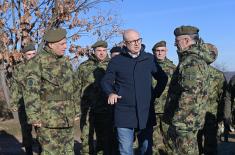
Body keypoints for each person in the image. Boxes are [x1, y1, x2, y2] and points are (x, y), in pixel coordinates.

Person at [101, 29, 168, 155]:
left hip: (145, 112)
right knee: (125, 150)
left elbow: (163, 78)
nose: (137, 44)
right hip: (124, 111)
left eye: (138, 40)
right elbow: (106, 81)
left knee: (146, 148)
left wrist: (154, 94)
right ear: (125, 43)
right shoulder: (117, 61)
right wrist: (110, 92)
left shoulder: (149, 59)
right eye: (132, 41)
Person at [23, 28, 80, 155]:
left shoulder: (66, 62)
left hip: (67, 117)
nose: (65, 47)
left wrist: (76, 109)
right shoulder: (36, 62)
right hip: (48, 119)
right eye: (62, 44)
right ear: (51, 44)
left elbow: (74, 87)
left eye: (66, 43)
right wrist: (34, 117)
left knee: (69, 151)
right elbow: (30, 92)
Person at [163, 25, 211, 155]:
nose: (174, 44)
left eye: (177, 41)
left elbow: (190, 93)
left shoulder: (191, 61)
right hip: (192, 118)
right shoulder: (196, 59)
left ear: (186, 40)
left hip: (185, 120)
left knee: (185, 151)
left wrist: (178, 120)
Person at [77, 40, 116, 155]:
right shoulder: (84, 66)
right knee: (86, 138)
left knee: (104, 139)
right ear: (93, 51)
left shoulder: (112, 65)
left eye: (104, 50)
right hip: (87, 109)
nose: (102, 53)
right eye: (99, 50)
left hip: (106, 109)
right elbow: (76, 87)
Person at [10, 43, 37, 155]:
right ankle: (29, 152)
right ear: (24, 55)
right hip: (24, 104)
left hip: (40, 105)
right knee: (26, 132)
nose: (32, 56)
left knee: (42, 132)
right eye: (29, 54)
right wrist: (14, 103)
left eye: (34, 54)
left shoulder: (42, 66)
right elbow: (15, 87)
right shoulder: (19, 69)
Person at [151, 40, 176, 155]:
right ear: (153, 52)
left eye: (162, 50)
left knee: (169, 138)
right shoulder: (148, 66)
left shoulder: (173, 68)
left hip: (167, 108)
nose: (160, 53)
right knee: (154, 140)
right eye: (157, 51)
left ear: (166, 52)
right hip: (152, 108)